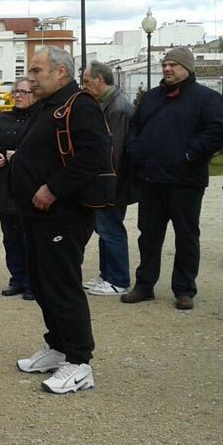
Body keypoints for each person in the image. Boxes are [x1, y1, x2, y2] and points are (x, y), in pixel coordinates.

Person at [9, 47, 107, 394]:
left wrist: (53, 187)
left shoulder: (79, 106)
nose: (31, 78)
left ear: (60, 73)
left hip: (63, 215)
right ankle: (58, 346)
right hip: (36, 215)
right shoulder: (47, 106)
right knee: (42, 283)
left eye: (37, 71)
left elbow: (95, 155)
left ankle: (80, 361)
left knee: (62, 286)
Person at [122, 47, 223, 310]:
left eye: (174, 64)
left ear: (188, 68)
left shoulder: (207, 98)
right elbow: (135, 127)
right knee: (148, 235)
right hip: (151, 179)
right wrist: (136, 151)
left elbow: (217, 132)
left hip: (186, 181)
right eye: (165, 64)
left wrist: (190, 154)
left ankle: (184, 289)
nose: (168, 68)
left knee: (186, 235)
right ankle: (144, 285)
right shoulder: (151, 98)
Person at [80, 61, 135, 296]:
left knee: (111, 228)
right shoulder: (108, 104)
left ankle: (118, 279)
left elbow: (115, 149)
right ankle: (107, 275)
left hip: (112, 180)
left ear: (99, 80)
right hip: (106, 179)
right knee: (104, 228)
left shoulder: (118, 108)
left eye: (86, 81)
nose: (84, 86)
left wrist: (106, 179)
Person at [0, 78, 36, 300]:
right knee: (10, 237)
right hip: (5, 186)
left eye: (24, 92)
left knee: (29, 238)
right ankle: (16, 279)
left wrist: (21, 158)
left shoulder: (40, 120)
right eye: (17, 91)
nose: (19, 95)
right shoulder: (4, 118)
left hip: (29, 188)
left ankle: (32, 283)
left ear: (35, 95)